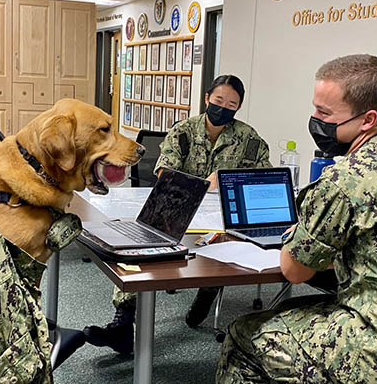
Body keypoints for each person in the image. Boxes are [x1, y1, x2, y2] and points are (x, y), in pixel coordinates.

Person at [216, 54, 377, 383]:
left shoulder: (344, 178)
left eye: (324, 114)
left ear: (367, 120)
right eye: (314, 109)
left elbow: (294, 270)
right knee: (292, 312)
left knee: (244, 333)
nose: (315, 121)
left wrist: (301, 232)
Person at [84, 74, 272, 354]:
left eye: (232, 104)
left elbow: (266, 177)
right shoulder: (183, 131)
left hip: (220, 215)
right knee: (142, 246)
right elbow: (164, 173)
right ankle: (123, 322)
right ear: (207, 98)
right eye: (219, 100)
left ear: (238, 108)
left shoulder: (248, 138)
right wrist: (199, 186)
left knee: (224, 244)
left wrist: (230, 179)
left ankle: (207, 292)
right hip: (177, 207)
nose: (224, 107)